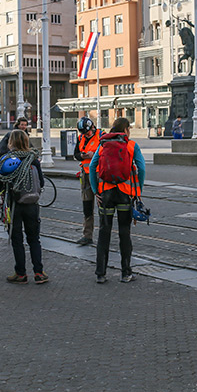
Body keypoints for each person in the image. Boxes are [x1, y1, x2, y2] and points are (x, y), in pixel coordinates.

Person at [90, 117, 146, 284]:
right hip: (124, 193)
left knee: (103, 233)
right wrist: (138, 191)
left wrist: (95, 190)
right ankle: (126, 273)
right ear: (126, 129)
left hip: (106, 193)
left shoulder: (103, 144)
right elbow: (141, 168)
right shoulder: (131, 145)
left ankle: (101, 273)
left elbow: (93, 166)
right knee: (124, 233)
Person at [4, 129, 48, 284]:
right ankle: (39, 272)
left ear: (11, 142)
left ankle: (21, 273)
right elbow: (41, 183)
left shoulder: (9, 159)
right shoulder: (33, 159)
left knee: (17, 240)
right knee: (34, 239)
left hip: (15, 205)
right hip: (32, 204)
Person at [74, 117, 102, 245]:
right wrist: (83, 156)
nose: (86, 135)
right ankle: (87, 235)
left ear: (92, 127)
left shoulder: (101, 136)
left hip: (99, 175)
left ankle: (104, 235)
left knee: (103, 205)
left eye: (87, 132)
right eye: (83, 133)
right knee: (87, 206)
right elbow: (76, 154)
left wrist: (95, 154)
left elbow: (107, 152)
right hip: (85, 176)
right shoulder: (81, 138)